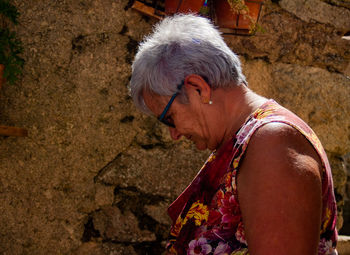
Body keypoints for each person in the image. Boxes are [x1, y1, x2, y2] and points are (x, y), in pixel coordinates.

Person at [130, 14, 338, 255]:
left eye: (169, 118)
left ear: (198, 88)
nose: (173, 134)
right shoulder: (246, 142)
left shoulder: (272, 144)